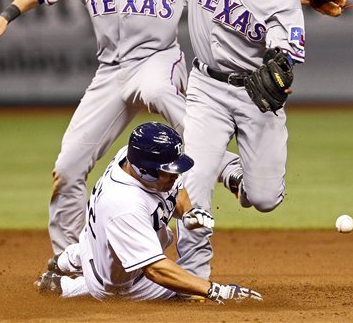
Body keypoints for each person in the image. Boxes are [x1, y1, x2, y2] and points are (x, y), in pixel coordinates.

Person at [0, 0, 243, 254]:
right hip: (111, 72)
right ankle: (67, 260)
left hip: (158, 59)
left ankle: (224, 165)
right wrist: (5, 17)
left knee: (158, 91)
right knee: (67, 169)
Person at [145, 0, 306, 281]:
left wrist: (280, 73)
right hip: (207, 90)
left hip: (255, 100)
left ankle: (233, 172)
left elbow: (284, 64)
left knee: (263, 198)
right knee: (191, 184)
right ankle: (196, 280)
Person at [34, 122, 263, 304]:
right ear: (146, 171)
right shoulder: (124, 204)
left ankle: (67, 260)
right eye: (169, 172)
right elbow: (155, 269)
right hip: (121, 284)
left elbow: (177, 187)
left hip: (96, 244)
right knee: (184, 289)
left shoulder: (131, 158)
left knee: (105, 245)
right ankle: (67, 287)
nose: (175, 176)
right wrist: (215, 291)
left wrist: (189, 212)